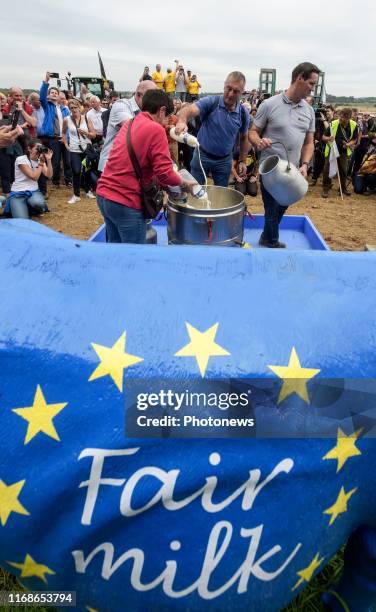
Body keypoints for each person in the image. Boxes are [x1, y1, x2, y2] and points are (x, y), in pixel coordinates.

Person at [96, 89, 197, 244]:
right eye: (168, 117)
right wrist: (184, 184)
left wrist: (167, 186)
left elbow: (146, 167)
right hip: (125, 201)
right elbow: (165, 173)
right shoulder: (155, 129)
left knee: (115, 251)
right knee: (133, 255)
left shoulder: (130, 123)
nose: (168, 122)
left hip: (104, 196)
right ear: (162, 110)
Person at [249, 61, 319, 248]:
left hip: (292, 171)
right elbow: (253, 132)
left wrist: (305, 164)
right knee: (271, 210)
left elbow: (309, 142)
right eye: (311, 83)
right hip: (270, 169)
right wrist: (258, 141)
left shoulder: (309, 111)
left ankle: (266, 236)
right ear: (299, 78)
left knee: (282, 206)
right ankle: (271, 242)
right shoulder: (269, 104)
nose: (313, 89)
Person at [175, 71, 250, 187]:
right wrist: (182, 121)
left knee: (221, 195)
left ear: (242, 92)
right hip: (202, 156)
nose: (230, 94)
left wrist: (242, 160)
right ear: (224, 85)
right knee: (195, 192)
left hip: (224, 161)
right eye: (228, 88)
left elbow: (245, 138)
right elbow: (189, 109)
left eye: (236, 91)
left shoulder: (243, 114)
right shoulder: (211, 102)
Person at [98, 80, 157, 173]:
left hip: (128, 168)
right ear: (139, 95)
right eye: (151, 98)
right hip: (111, 167)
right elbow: (133, 128)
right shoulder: (121, 105)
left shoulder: (145, 111)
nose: (154, 102)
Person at [5, 138, 52, 218]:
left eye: (40, 148)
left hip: (33, 192)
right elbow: (34, 177)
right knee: (22, 220)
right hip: (18, 193)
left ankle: (33, 208)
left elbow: (49, 175)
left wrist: (49, 160)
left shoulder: (40, 160)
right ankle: (24, 206)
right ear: (29, 149)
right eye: (37, 148)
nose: (39, 151)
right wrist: (41, 164)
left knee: (39, 204)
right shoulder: (21, 159)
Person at [62, 98, 97, 204]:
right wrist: (66, 144)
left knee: (87, 170)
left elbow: (94, 134)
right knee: (76, 171)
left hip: (86, 148)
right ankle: (76, 195)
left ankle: (88, 191)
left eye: (75, 107)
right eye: (71, 108)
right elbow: (63, 133)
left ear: (79, 107)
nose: (73, 110)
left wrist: (85, 133)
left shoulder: (86, 118)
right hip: (74, 149)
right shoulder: (67, 119)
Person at [321, 108, 358, 198]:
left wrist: (348, 144)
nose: (340, 119)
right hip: (332, 151)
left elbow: (354, 139)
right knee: (327, 169)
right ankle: (326, 188)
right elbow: (323, 137)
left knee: (343, 170)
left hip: (344, 152)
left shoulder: (354, 125)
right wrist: (329, 138)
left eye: (343, 118)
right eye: (340, 116)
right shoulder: (333, 124)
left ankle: (343, 188)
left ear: (349, 118)